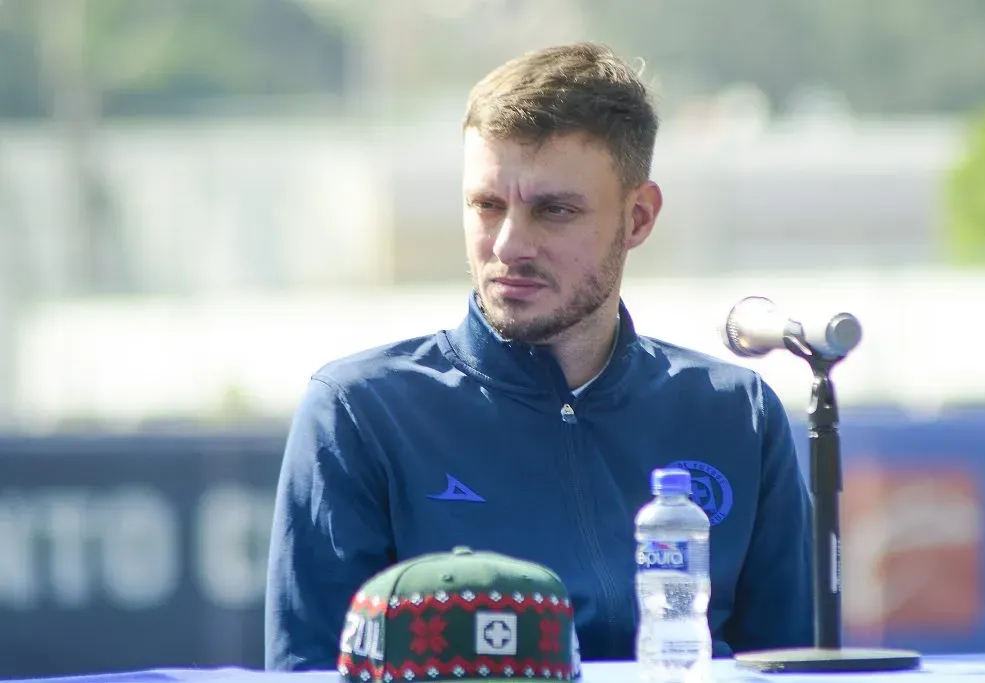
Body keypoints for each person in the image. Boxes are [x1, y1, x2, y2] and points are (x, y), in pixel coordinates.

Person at [264, 41, 813, 671]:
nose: (508, 245)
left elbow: (792, 669)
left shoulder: (736, 413)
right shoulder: (359, 411)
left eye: (553, 211)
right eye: (487, 205)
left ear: (638, 217)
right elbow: (308, 670)